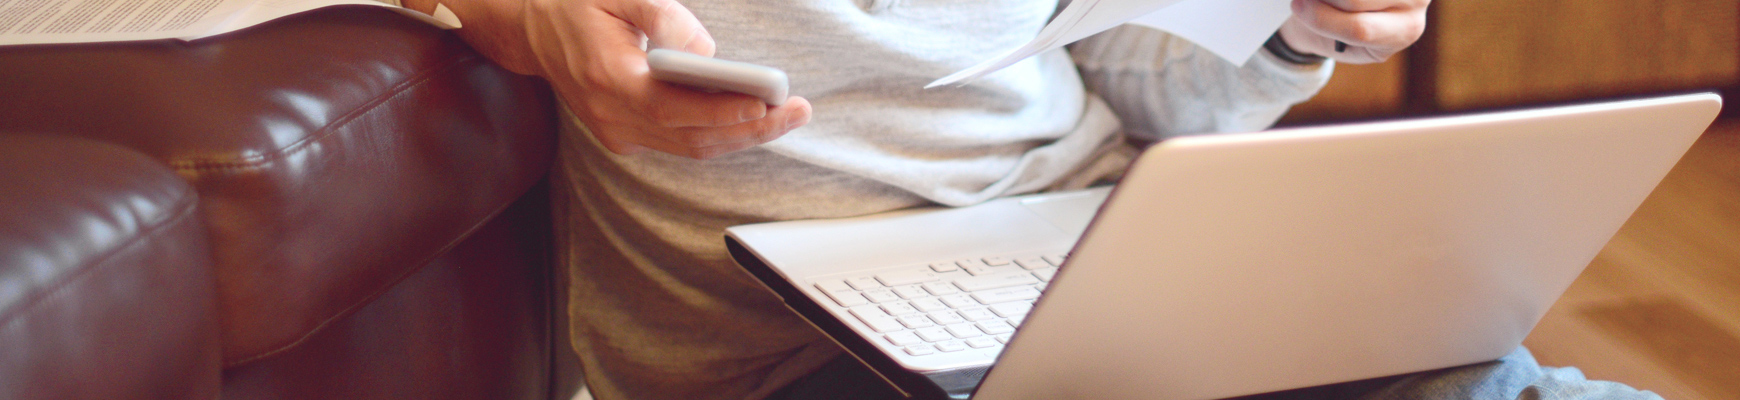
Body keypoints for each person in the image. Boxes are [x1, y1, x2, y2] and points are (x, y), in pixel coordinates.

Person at [379, 0, 1665, 398]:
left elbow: (1156, 87)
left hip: (1096, 240)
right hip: (795, 354)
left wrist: (1294, 32)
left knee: (1480, 380)